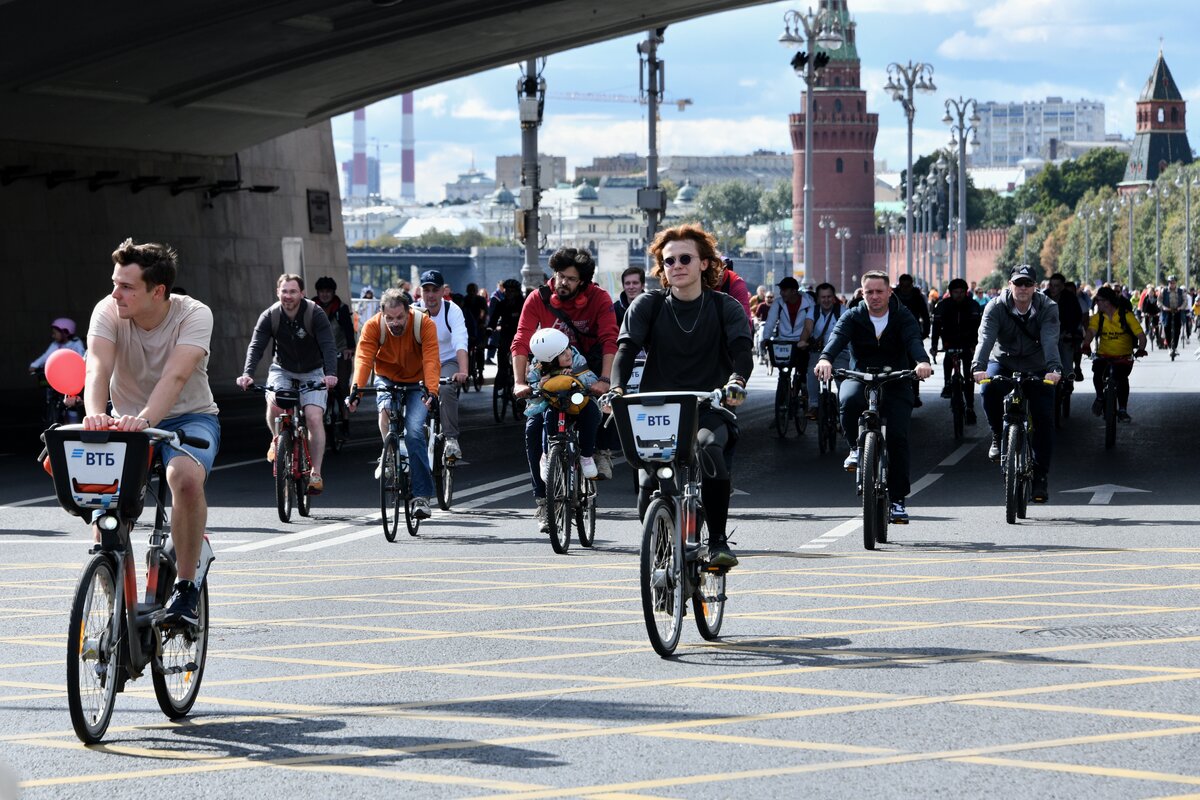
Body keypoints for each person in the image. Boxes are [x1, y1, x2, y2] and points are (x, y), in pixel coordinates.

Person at [84, 239, 221, 626]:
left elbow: (176, 376)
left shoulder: (194, 314)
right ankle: (113, 598)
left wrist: (146, 419)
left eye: (127, 286)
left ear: (157, 291)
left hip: (188, 417)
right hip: (125, 419)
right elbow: (97, 367)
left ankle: (186, 586)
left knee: (184, 478)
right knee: (105, 500)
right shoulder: (108, 311)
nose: (116, 294)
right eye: (115, 283)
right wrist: (95, 415)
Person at [609, 224, 751, 567]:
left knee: (709, 448)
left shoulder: (725, 307)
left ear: (704, 263)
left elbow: (742, 352)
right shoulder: (648, 304)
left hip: (709, 405)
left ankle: (717, 540)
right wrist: (615, 388)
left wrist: (736, 381)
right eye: (668, 261)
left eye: (685, 258)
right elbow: (625, 351)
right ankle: (657, 555)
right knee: (648, 483)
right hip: (657, 408)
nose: (676, 266)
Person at [814, 271, 933, 524]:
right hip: (861, 376)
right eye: (869, 292)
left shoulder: (902, 315)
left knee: (899, 438)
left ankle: (898, 501)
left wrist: (922, 361)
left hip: (896, 379)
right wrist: (825, 358)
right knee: (847, 399)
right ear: (862, 292)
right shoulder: (853, 315)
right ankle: (856, 449)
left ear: (890, 292)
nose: (875, 297)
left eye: (880, 291)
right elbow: (837, 338)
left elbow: (913, 340)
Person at [512, 249, 619, 530]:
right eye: (560, 276)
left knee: (596, 411)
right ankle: (542, 502)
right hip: (548, 375)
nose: (563, 283)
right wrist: (520, 381)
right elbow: (521, 340)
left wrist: (605, 381)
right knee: (534, 429)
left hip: (587, 370)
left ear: (583, 282)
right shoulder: (539, 298)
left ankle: (597, 451)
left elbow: (610, 340)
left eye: (571, 279)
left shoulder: (599, 298)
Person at [237, 274, 338, 494]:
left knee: (312, 416)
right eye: (284, 291)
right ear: (277, 292)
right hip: (282, 369)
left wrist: (331, 374)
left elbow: (328, 345)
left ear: (302, 293)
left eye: (293, 291)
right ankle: (277, 440)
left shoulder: (315, 313)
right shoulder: (270, 315)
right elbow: (256, 346)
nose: (288, 296)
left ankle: (316, 473)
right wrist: (247, 374)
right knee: (274, 404)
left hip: (313, 370)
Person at [348, 289, 441, 519]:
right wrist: (356, 391)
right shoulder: (373, 326)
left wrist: (432, 390)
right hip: (387, 377)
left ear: (408, 312)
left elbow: (431, 359)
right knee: (385, 411)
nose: (394, 323)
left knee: (414, 433)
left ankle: (421, 497)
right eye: (389, 318)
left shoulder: (424, 324)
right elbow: (363, 359)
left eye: (399, 317)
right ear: (382, 314)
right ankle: (389, 454)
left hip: (417, 381)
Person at [972, 265, 1062, 503]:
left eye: (1027, 284)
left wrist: (1054, 368)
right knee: (987, 388)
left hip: (1037, 364)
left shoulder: (1048, 307)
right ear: (1009, 284)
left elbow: (1050, 339)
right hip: (1004, 361)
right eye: (1018, 283)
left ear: (1035, 286)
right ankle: (997, 434)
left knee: (1044, 419)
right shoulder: (995, 306)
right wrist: (977, 366)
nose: (1022, 288)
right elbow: (986, 338)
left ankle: (1040, 476)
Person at [524, 327, 601, 479]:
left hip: (578, 402)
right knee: (547, 417)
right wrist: (539, 385)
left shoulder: (577, 358)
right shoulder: (538, 367)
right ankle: (547, 455)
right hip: (554, 404)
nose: (568, 354)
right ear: (549, 360)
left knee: (591, 412)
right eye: (561, 354)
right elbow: (531, 394)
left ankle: (586, 456)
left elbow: (592, 379)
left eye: (567, 349)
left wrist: (576, 376)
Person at [413, 270, 468, 459]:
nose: (430, 295)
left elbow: (460, 342)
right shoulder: (413, 311)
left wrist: (463, 371)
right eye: (426, 290)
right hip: (420, 364)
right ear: (420, 292)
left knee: (445, 389)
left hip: (446, 361)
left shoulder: (452, 310)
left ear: (443, 291)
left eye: (434, 290)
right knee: (406, 391)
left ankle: (451, 439)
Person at [1081, 285, 1147, 422]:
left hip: (1123, 357)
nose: (1096, 303)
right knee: (1097, 373)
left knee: (1122, 379)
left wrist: (1141, 349)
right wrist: (1086, 345)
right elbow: (1090, 333)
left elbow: (1141, 335)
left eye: (1098, 300)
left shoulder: (1126, 315)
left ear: (1107, 301)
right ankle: (1100, 397)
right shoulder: (1098, 318)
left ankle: (1122, 409)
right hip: (1104, 356)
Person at [929, 277, 982, 423]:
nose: (958, 295)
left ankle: (970, 407)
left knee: (968, 374)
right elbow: (936, 328)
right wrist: (934, 346)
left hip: (968, 341)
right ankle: (947, 383)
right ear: (950, 293)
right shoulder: (943, 305)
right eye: (955, 292)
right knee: (948, 358)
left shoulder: (973, 305)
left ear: (966, 292)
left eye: (961, 292)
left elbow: (979, 328)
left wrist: (975, 345)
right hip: (949, 340)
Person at [313, 276, 356, 423]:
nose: (325, 294)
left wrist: (350, 349)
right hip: (318, 354)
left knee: (342, 385)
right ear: (317, 293)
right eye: (322, 291)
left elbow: (349, 331)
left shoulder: (341, 308)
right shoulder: (311, 307)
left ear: (333, 293)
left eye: (328, 291)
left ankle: (345, 416)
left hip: (340, 351)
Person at [30, 317, 87, 421]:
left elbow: (81, 357)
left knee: (72, 400)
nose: (53, 335)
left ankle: (72, 419)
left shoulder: (76, 343)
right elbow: (46, 356)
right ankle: (51, 414)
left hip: (71, 378)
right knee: (50, 393)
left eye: (55, 333)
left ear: (66, 332)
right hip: (58, 376)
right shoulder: (55, 345)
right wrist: (34, 365)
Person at [762, 276, 815, 378]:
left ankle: (803, 384)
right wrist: (766, 338)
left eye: (784, 290)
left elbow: (813, 323)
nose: (781, 293)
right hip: (783, 342)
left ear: (794, 291)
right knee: (783, 373)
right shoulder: (778, 303)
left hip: (801, 342)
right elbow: (770, 322)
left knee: (802, 369)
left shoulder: (809, 303)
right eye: (781, 290)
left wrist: (810, 340)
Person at [805, 283, 847, 408]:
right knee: (812, 371)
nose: (826, 300)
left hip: (840, 353)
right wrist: (803, 340)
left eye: (829, 296)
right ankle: (813, 404)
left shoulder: (843, 311)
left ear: (834, 297)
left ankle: (843, 408)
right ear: (818, 298)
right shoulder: (813, 311)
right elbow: (807, 329)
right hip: (819, 353)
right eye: (823, 297)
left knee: (844, 380)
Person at [893, 273, 931, 407]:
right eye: (902, 286)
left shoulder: (917, 297)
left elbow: (925, 315)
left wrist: (925, 332)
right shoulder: (893, 296)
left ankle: (915, 394)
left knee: (916, 366)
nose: (905, 288)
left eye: (907, 286)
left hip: (913, 333)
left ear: (911, 285)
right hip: (895, 335)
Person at [1045, 272, 1083, 383]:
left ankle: (1069, 374)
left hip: (1065, 332)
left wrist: (1070, 331)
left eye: (1056, 286)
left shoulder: (1070, 298)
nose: (1053, 288)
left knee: (1067, 347)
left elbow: (1077, 316)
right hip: (1047, 334)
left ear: (1062, 286)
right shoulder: (1043, 297)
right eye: (1051, 285)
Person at [718, 257, 753, 331]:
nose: (719, 274)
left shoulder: (736, 283)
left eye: (723, 269)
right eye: (714, 270)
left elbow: (745, 321)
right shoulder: (700, 280)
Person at [1160, 275, 1186, 356]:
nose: (1172, 284)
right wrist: (1164, 307)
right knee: (1167, 328)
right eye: (1170, 283)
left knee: (1177, 329)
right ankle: (1169, 347)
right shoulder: (1163, 291)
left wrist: (1181, 307)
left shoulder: (1180, 291)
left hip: (1177, 311)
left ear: (1176, 283)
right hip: (1167, 311)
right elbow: (1159, 301)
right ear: (1168, 283)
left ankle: (1175, 347)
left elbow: (1185, 301)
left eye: (1173, 283)